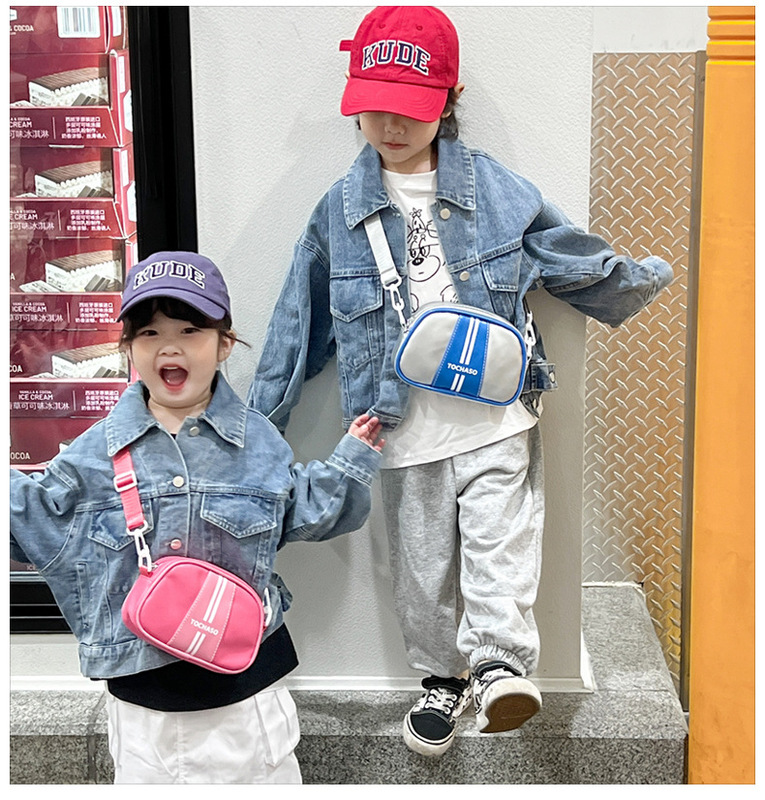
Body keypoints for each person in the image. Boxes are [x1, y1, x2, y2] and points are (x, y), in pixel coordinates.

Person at [249, 5, 674, 758]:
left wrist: (630, 280)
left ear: (448, 101)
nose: (390, 125)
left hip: (496, 415)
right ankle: (442, 680)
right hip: (396, 426)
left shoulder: (496, 190)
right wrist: (256, 429)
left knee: (499, 545)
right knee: (421, 572)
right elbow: (297, 321)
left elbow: (562, 251)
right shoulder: (338, 214)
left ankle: (500, 666)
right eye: (374, 107)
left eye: (409, 108)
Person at [10, 251, 384, 783]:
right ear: (128, 348)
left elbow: (305, 511)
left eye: (190, 329)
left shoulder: (258, 441)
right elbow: (32, 523)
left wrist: (351, 459)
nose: (170, 346)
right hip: (144, 716)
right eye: (149, 333)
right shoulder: (93, 454)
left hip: (249, 704)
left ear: (224, 343)